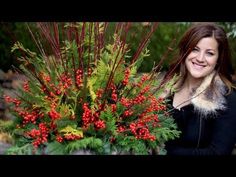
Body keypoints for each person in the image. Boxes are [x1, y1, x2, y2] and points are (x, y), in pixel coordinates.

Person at [162, 22, 236, 155]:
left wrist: (164, 151)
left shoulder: (227, 98)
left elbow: (218, 152)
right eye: (195, 49)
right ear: (185, 51)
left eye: (210, 53)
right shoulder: (165, 90)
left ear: (218, 58)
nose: (200, 58)